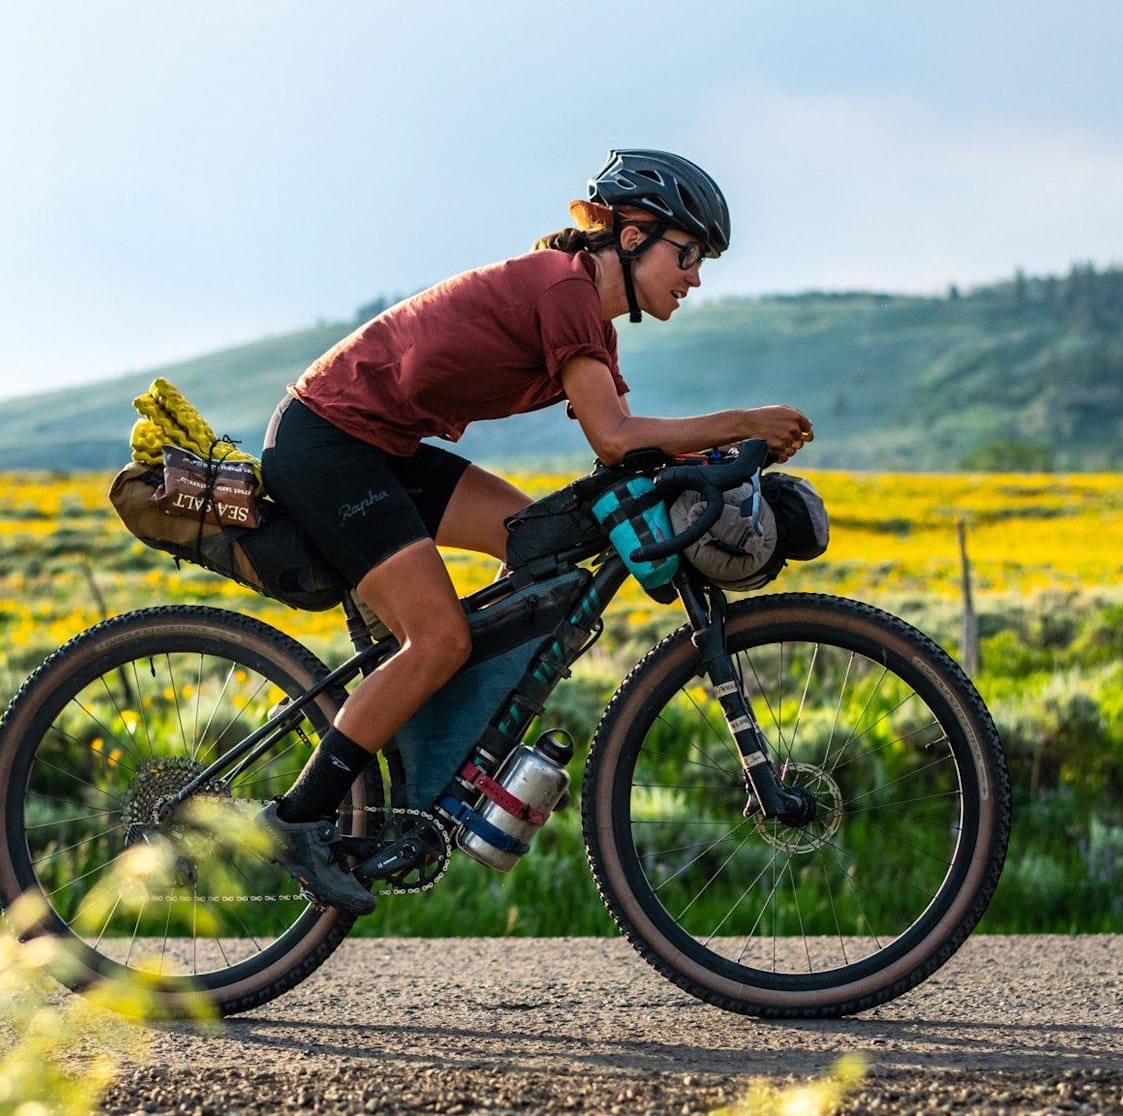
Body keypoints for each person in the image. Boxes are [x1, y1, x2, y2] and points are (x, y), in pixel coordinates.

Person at [253, 149, 812, 913]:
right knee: (441, 637)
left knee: (534, 545)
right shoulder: (562, 290)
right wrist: (745, 420)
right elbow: (616, 439)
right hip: (330, 444)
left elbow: (626, 447)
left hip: (383, 448)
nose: (696, 278)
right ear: (633, 234)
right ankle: (297, 818)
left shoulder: (589, 322)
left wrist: (722, 457)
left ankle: (428, 743)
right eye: (687, 256)